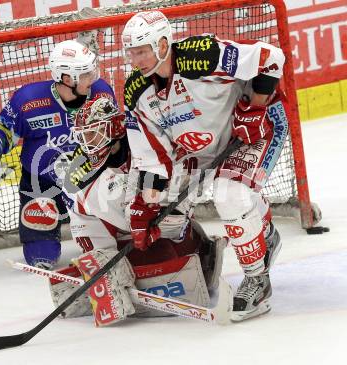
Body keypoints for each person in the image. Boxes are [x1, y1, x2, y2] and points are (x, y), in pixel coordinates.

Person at [121, 10, 288, 321]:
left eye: (142, 51)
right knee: (165, 215)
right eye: (131, 52)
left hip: (250, 129)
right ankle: (254, 235)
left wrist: (254, 107)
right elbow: (152, 158)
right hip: (205, 148)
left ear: (161, 45)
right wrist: (145, 209)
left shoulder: (201, 56)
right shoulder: (137, 93)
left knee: (229, 194)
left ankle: (257, 279)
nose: (136, 59)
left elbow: (271, 57)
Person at [48, 94, 227, 326]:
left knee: (176, 230)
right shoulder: (82, 170)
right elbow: (84, 218)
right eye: (84, 136)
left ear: (113, 130)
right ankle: (106, 269)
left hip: (147, 224)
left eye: (93, 133)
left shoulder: (141, 143)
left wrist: (155, 214)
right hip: (112, 232)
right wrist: (102, 263)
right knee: (154, 248)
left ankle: (191, 251)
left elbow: (173, 180)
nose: (88, 143)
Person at [0, 40, 116, 270]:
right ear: (67, 79)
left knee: (107, 250)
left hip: (89, 181)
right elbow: (4, 130)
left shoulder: (101, 93)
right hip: (41, 184)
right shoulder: (28, 101)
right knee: (41, 259)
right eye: (87, 74)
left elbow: (115, 136)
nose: (94, 78)